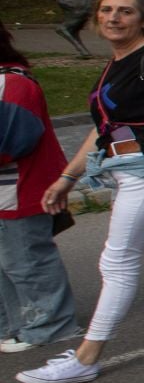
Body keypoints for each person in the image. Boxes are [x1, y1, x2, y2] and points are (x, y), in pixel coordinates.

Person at [17, 0, 144, 383]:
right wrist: (68, 177)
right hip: (127, 168)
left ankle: (86, 357)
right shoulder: (116, 63)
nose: (113, 17)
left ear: (143, 20)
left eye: (124, 11)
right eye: (106, 11)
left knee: (118, 261)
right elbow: (102, 130)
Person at [0, 22, 81, 353]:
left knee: (27, 260)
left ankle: (52, 326)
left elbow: (14, 140)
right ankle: (16, 323)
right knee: (9, 262)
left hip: (21, 186)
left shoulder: (14, 83)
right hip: (10, 188)